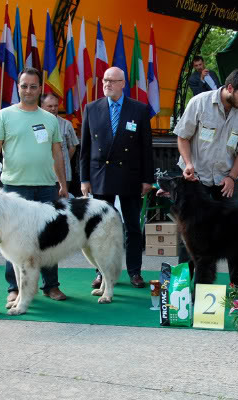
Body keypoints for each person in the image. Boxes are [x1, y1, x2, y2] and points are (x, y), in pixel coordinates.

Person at [0, 67, 68, 304]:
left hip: (46, 187)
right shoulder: (3, 116)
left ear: (40, 89)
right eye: (24, 86)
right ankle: (15, 288)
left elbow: (57, 154)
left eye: (33, 86)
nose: (28, 90)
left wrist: (62, 184)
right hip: (15, 188)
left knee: (50, 238)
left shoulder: (50, 119)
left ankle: (51, 285)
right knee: (13, 241)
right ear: (18, 87)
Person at [172, 67, 238, 284]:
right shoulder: (199, 103)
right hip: (195, 179)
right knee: (189, 233)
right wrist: (189, 164)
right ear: (229, 88)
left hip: (225, 180)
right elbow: (182, 137)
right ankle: (182, 283)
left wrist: (232, 177)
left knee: (234, 231)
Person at [80, 66, 154, 289]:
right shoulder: (92, 108)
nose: (107, 84)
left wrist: (147, 179)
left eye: (112, 81)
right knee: (101, 228)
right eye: (105, 80)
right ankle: (102, 272)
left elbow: (145, 149)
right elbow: (85, 148)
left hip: (130, 176)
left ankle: (134, 272)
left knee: (132, 227)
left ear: (123, 84)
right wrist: (84, 179)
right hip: (101, 175)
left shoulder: (139, 110)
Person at [41, 93, 80, 191]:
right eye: (49, 106)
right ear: (42, 106)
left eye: (55, 106)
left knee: (61, 205)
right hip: (41, 175)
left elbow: (72, 147)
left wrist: (63, 160)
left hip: (63, 175)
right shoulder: (36, 123)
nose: (53, 109)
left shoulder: (66, 124)